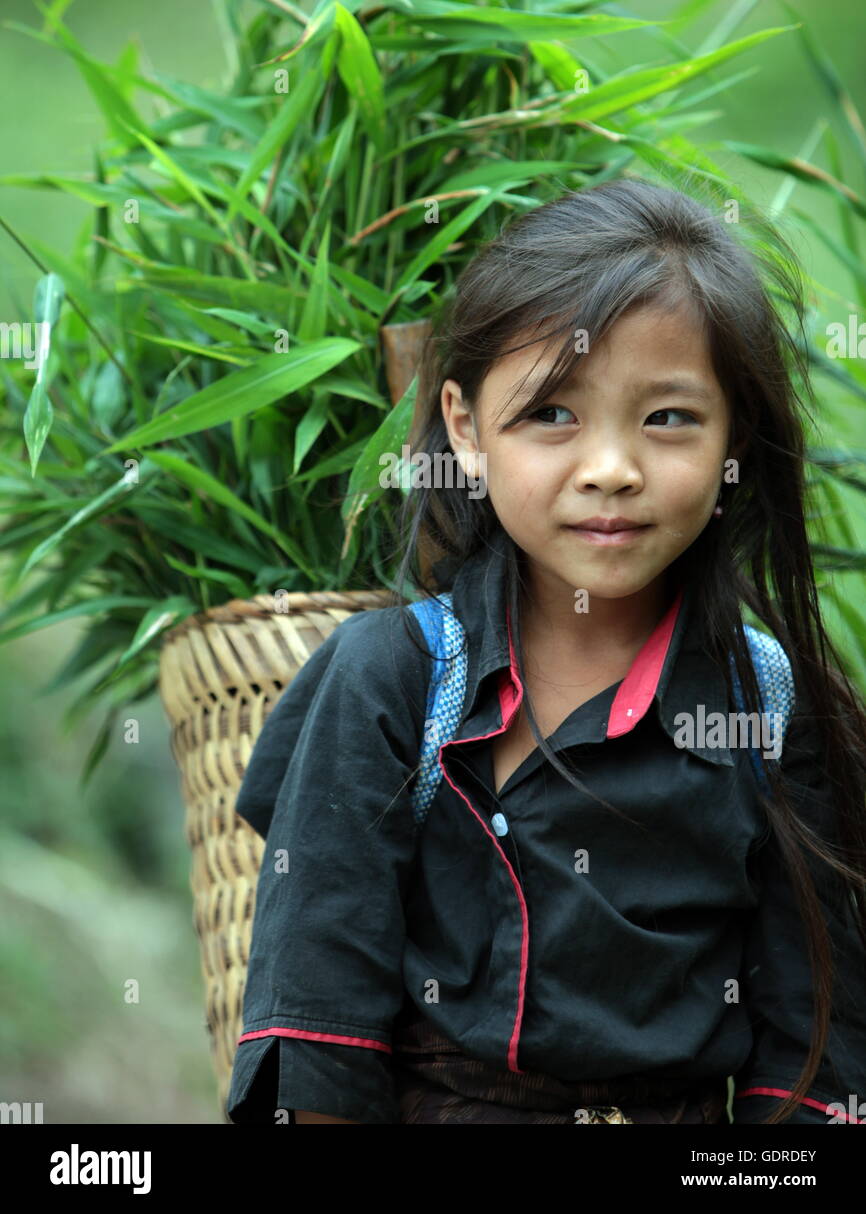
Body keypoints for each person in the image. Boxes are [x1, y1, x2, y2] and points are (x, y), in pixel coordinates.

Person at [226, 177, 866, 1125]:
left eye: (669, 418)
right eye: (552, 415)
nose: (612, 467)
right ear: (464, 428)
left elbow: (815, 1062)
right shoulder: (393, 685)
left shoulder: (771, 707)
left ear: (738, 433)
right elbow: (318, 1031)